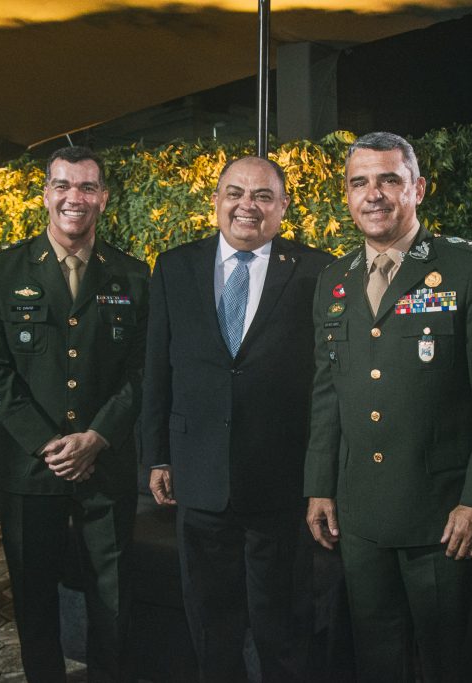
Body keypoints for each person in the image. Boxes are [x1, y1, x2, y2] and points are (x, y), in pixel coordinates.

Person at [304, 132, 472, 682]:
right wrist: (320, 485)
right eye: (359, 182)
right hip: (360, 515)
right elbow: (327, 392)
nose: (373, 194)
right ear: (347, 194)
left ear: (418, 188)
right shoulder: (334, 280)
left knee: (446, 661)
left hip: (441, 516)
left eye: (389, 179)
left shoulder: (467, 266)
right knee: (376, 660)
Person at [141, 155, 333, 682]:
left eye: (263, 196)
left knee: (284, 625)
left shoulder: (318, 270)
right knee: (211, 622)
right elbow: (157, 366)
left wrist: (322, 476)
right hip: (198, 477)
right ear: (217, 200)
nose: (247, 206)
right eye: (235, 193)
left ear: (283, 207)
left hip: (280, 479)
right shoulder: (174, 266)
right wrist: (155, 455)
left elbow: (327, 383)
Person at [0, 145, 148, 682]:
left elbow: (142, 372)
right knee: (33, 597)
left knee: (112, 597)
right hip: (31, 469)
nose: (76, 198)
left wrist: (97, 437)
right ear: (46, 194)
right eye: (64, 186)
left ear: (104, 198)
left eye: (88, 187)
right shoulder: (2, 271)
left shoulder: (134, 275)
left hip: (107, 465)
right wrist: (50, 445)